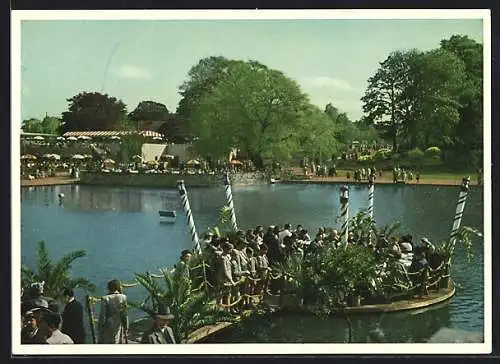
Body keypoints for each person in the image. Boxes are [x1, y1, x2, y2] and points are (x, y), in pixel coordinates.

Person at [98, 279, 129, 344]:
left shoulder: (105, 298)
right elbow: (125, 314)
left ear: (109, 287)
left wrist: (100, 328)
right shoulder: (123, 297)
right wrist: (126, 327)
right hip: (118, 325)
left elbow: (102, 316)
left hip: (108, 326)